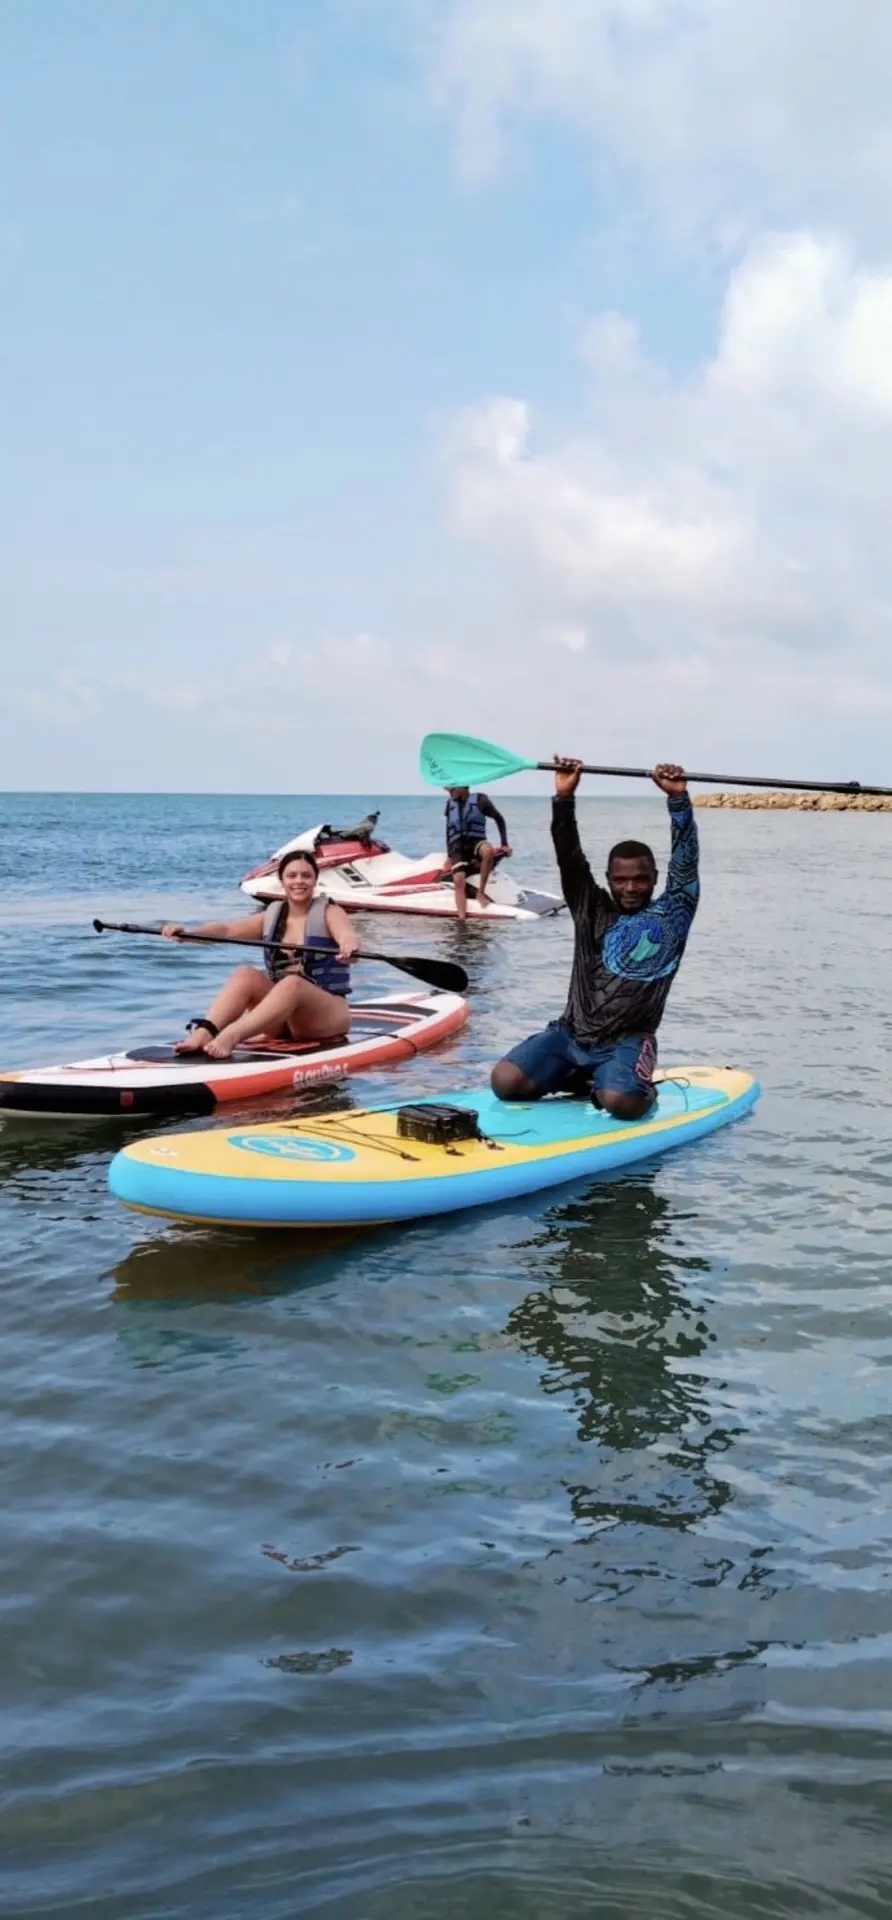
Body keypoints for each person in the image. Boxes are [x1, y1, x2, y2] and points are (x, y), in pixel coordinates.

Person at [491, 758, 699, 1120]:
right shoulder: (591, 907)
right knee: (505, 1083)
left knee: (621, 1103)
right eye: (621, 879)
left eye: (640, 879)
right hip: (571, 1036)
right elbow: (568, 856)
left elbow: (686, 861)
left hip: (628, 1040)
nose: (630, 887)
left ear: (654, 878)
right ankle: (580, 1077)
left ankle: (634, 1084)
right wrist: (564, 797)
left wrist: (678, 800)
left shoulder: (674, 914)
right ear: (608, 878)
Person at [161, 849, 359, 1059]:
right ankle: (204, 1032)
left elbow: (348, 936)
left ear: (315, 880)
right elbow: (226, 931)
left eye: (306, 875)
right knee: (244, 974)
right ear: (282, 881)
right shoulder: (271, 915)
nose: (299, 881)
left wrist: (349, 948)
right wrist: (187, 934)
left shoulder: (330, 912)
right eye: (292, 876)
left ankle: (231, 1034)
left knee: (292, 983)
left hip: (324, 1017)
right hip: (282, 1021)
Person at [443, 785, 513, 918]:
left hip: (476, 841)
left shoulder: (481, 801)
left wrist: (504, 843)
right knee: (459, 880)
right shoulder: (449, 804)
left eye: (451, 790)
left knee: (488, 851)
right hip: (457, 846)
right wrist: (448, 856)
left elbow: (499, 819)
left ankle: (480, 892)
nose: (448, 793)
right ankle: (462, 920)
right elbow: (448, 830)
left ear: (462, 788)